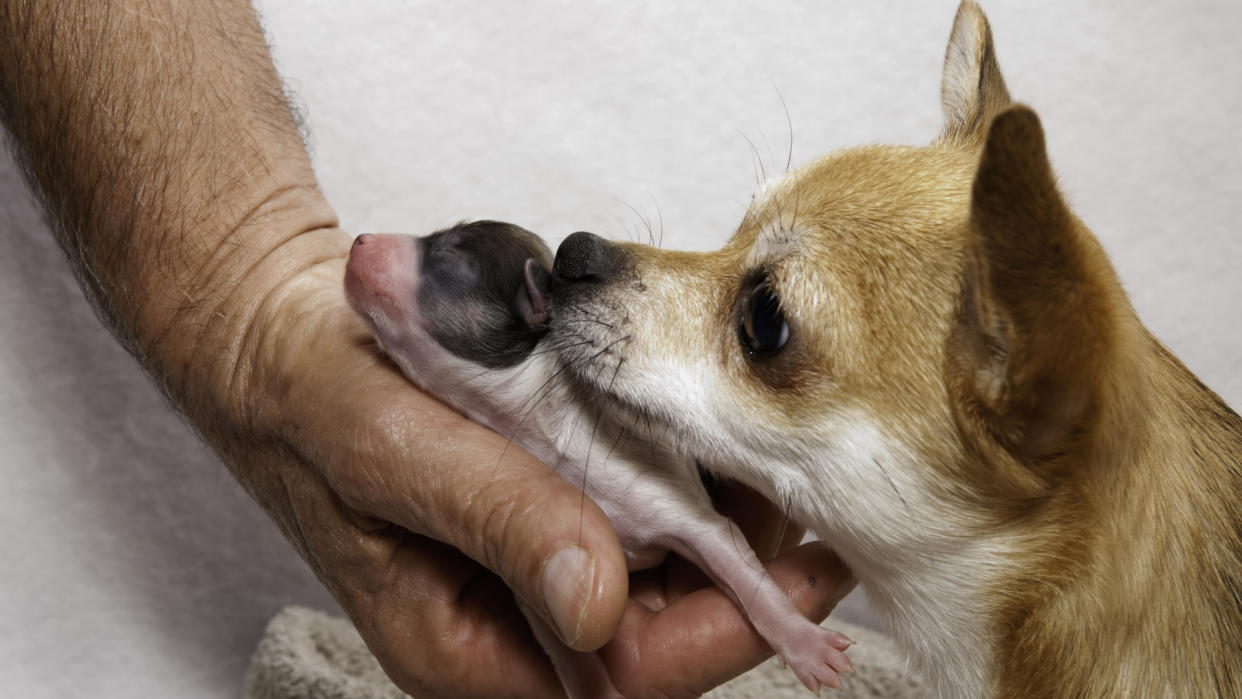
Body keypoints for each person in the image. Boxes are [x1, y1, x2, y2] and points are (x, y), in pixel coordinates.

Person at [0, 1, 851, 695]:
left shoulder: (612, 442)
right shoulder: (481, 417)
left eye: (440, 258)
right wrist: (249, 298)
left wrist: (795, 640)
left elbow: (710, 537)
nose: (379, 246)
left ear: (530, 308)